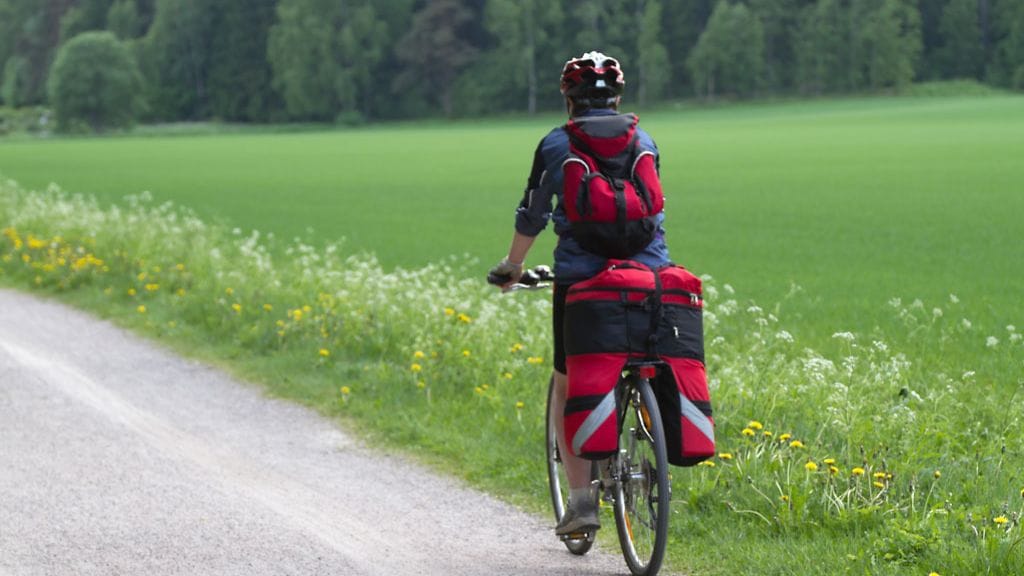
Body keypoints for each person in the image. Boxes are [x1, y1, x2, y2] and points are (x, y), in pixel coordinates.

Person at [489, 51, 672, 536]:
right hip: (648, 275)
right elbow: (654, 211)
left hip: (583, 281)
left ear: (567, 98)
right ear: (618, 96)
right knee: (643, 355)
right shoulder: (644, 139)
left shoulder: (556, 143)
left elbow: (533, 213)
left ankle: (581, 502)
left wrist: (514, 266)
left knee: (568, 382)